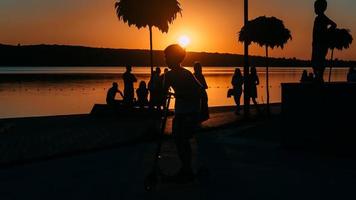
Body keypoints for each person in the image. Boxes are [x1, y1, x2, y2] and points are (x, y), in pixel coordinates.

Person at [163, 44, 204, 183]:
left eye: (167, 57)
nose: (165, 60)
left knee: (182, 139)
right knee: (179, 140)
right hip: (181, 111)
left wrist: (183, 95)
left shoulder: (186, 74)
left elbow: (200, 91)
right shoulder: (168, 75)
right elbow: (163, 91)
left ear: (175, 58)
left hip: (191, 111)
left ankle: (187, 170)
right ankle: (186, 169)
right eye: (165, 57)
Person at [312, 0, 337, 82]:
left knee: (319, 61)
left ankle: (319, 77)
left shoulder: (323, 18)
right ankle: (317, 77)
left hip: (321, 44)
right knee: (314, 61)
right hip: (316, 44)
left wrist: (326, 33)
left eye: (316, 7)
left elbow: (334, 25)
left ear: (321, 8)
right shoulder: (318, 18)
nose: (314, 9)